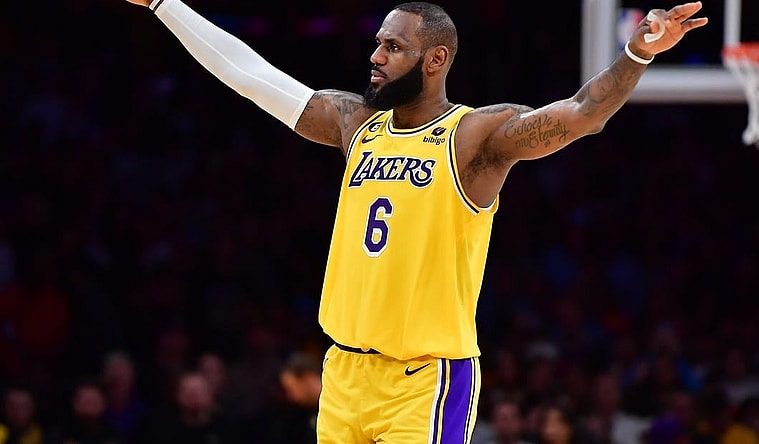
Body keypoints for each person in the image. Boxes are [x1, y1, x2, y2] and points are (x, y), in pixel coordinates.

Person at [121, 0, 708, 442]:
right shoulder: (356, 126)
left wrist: (637, 54)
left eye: (393, 47)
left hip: (425, 380)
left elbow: (581, 114)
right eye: (378, 44)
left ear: (435, 58)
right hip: (344, 372)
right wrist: (163, 4)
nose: (375, 57)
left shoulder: (474, 137)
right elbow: (251, 77)